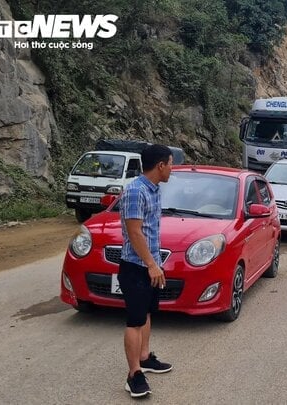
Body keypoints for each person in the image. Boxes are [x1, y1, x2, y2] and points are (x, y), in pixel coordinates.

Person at [118, 144, 174, 398]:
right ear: (160, 165)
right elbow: (135, 232)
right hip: (136, 266)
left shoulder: (154, 190)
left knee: (148, 312)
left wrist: (156, 264)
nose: (172, 169)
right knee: (135, 319)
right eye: (171, 164)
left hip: (151, 265)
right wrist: (151, 265)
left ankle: (144, 358)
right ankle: (133, 375)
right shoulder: (135, 191)